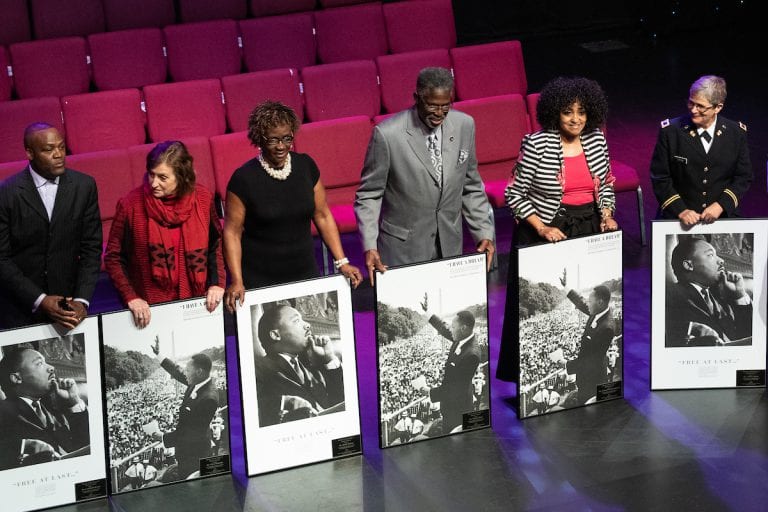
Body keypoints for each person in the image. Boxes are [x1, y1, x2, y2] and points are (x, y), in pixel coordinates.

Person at [497, 76, 618, 381]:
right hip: (546, 230)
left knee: (588, 300)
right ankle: (525, 380)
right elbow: (514, 194)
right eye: (568, 112)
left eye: (582, 111)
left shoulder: (596, 139)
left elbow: (604, 185)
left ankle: (590, 374)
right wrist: (542, 227)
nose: (576, 119)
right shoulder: (536, 144)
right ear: (555, 113)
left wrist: (606, 213)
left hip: (587, 226)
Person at [354, 67, 495, 283]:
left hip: (450, 244)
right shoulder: (387, 134)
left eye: (445, 106)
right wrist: (369, 246)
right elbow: (369, 195)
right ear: (416, 98)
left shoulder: (464, 125)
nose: (439, 113)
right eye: (432, 106)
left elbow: (471, 184)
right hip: (403, 249)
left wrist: (484, 232)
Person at [223, 101, 361, 311]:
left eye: (287, 138)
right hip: (261, 277)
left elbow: (323, 215)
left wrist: (342, 262)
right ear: (260, 139)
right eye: (273, 140)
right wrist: (237, 280)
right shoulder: (243, 178)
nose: (281, 146)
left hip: (304, 271)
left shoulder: (306, 166)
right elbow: (232, 233)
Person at [104, 141, 225, 329]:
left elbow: (215, 244)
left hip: (197, 304)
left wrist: (217, 283)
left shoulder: (203, 199)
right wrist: (131, 297)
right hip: (149, 309)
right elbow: (113, 257)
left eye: (163, 177)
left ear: (182, 177)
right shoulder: (130, 205)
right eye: (151, 174)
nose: (154, 183)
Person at [0, 123, 102, 329]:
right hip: (20, 306)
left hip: (70, 305)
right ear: (29, 153)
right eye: (48, 149)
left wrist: (82, 300)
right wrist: (39, 299)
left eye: (62, 147)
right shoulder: (6, 194)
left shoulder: (84, 186)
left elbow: (91, 248)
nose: (58, 154)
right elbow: (1, 258)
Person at [650, 75, 752, 226]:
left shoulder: (736, 133)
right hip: (678, 216)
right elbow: (660, 177)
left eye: (700, 106)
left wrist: (721, 205)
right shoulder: (671, 132)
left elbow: (743, 177)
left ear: (718, 107)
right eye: (691, 103)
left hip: (721, 216)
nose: (693, 110)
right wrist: (681, 210)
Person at [0, 346, 90, 470]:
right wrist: (21, 447)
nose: (51, 368)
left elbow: (84, 445)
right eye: (39, 363)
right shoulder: (3, 413)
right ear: (17, 378)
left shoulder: (55, 410)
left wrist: (73, 401)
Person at [254, 304, 345, 427]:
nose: (307, 325)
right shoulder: (258, 371)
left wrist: (328, 359)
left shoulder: (315, 366)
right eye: (296, 320)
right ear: (275, 335)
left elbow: (340, 401)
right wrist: (283, 403)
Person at [150, 336, 218, 481]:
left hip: (195, 456)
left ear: (199, 372)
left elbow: (191, 434)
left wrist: (163, 437)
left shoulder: (209, 399)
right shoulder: (197, 382)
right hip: (186, 452)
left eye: (188, 370)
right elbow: (176, 371)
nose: (184, 373)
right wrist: (159, 355)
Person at [665, 236, 752, 347]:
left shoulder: (722, 297)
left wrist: (739, 295)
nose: (721, 261)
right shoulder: (670, 296)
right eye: (710, 255)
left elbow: (746, 334)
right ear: (689, 265)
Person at [418, 294, 481, 433]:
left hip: (459, 410)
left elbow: (456, 388)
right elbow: (443, 327)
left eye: (453, 326)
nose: (450, 329)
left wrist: (430, 392)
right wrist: (427, 312)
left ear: (463, 328)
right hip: (450, 406)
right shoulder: (461, 337)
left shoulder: (472, 355)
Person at [554, 269, 615, 406]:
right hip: (585, 376)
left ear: (600, 302)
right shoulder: (598, 310)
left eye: (590, 300)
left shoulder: (607, 328)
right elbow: (581, 302)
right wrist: (566, 287)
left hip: (593, 380)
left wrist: (566, 364)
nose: (587, 303)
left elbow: (591, 361)